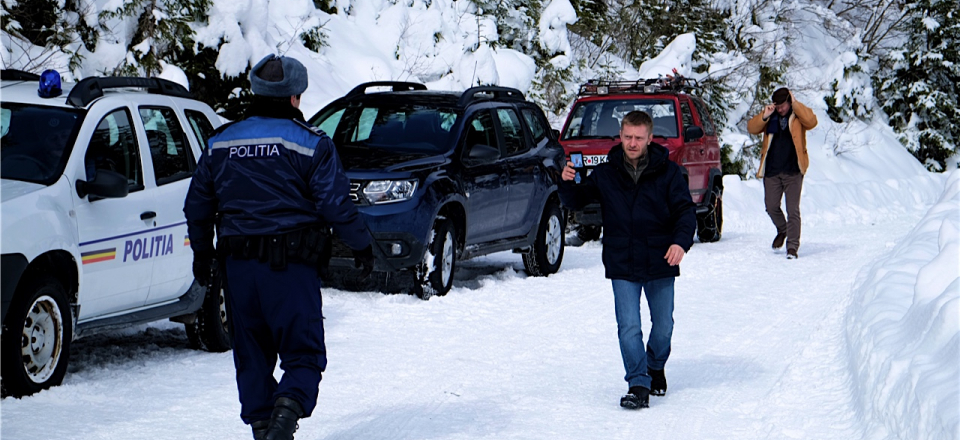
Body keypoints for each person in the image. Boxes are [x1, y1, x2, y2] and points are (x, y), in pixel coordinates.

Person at [184, 54, 375, 440]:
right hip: (290, 268)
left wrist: (202, 255)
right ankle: (282, 426)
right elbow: (335, 205)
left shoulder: (219, 143)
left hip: (237, 270)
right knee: (303, 355)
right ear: (294, 98)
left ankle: (265, 432)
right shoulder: (311, 145)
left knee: (251, 358)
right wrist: (362, 245)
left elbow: (197, 206)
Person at [558, 111, 696, 410]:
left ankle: (654, 365)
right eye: (627, 137)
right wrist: (567, 182)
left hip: (661, 257)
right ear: (620, 137)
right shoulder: (607, 173)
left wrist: (680, 242)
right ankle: (638, 382)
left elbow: (685, 212)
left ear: (649, 139)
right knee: (628, 326)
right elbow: (577, 200)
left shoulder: (669, 173)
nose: (632, 143)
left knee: (663, 327)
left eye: (638, 138)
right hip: (622, 260)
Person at [747, 87, 818, 259]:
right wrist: (764, 115)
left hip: (793, 170)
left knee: (792, 210)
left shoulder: (798, 114)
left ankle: (792, 247)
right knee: (771, 206)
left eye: (783, 105)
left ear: (789, 101)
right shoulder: (770, 116)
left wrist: (795, 104)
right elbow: (752, 128)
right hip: (772, 170)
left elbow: (812, 121)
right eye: (777, 106)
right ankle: (782, 229)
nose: (780, 109)